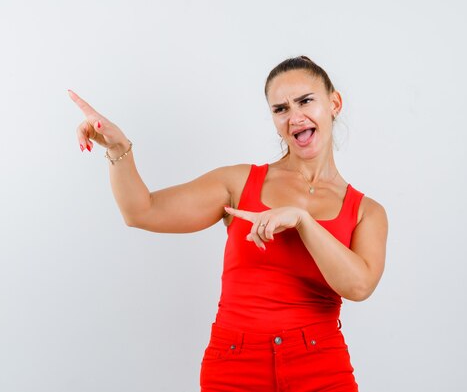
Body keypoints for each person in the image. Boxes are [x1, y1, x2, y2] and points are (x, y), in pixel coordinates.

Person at [68, 55, 388, 392]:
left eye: (305, 101)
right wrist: (120, 149)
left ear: (334, 103)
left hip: (321, 366)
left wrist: (303, 221)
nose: (295, 117)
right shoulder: (238, 182)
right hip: (235, 364)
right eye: (280, 109)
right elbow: (142, 211)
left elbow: (359, 287)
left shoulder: (366, 211)